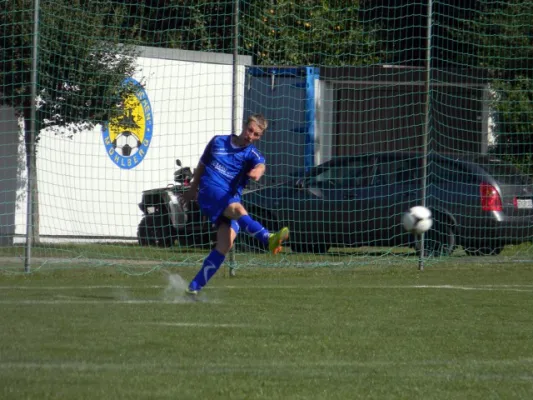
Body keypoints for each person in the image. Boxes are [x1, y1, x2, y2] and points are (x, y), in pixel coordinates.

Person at [183, 114, 289, 296]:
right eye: (250, 130)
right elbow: (202, 164)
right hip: (210, 192)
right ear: (244, 126)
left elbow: (261, 165)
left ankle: (194, 287)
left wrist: (258, 171)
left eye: (256, 135)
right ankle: (267, 238)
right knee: (239, 209)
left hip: (228, 198)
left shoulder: (251, 153)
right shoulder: (218, 141)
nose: (251, 136)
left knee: (225, 244)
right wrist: (193, 188)